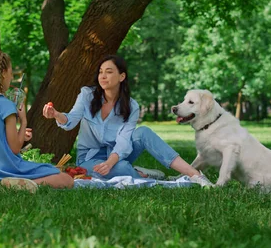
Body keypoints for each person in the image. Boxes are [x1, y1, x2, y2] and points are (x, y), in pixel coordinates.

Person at [42, 55, 213, 187]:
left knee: (143, 132)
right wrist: (57, 114)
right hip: (89, 159)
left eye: (109, 72)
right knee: (122, 169)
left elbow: (124, 142)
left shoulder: (131, 106)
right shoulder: (87, 95)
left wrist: (110, 163)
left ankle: (195, 175)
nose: (103, 76)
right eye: (101, 72)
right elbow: (70, 120)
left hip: (117, 156)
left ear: (121, 76)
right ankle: (140, 175)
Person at [0, 50, 74, 192]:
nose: (11, 76)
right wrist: (23, 121)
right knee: (66, 179)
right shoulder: (5, 104)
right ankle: (17, 184)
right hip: (8, 169)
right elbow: (15, 148)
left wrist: (19, 134)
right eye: (10, 72)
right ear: (3, 72)